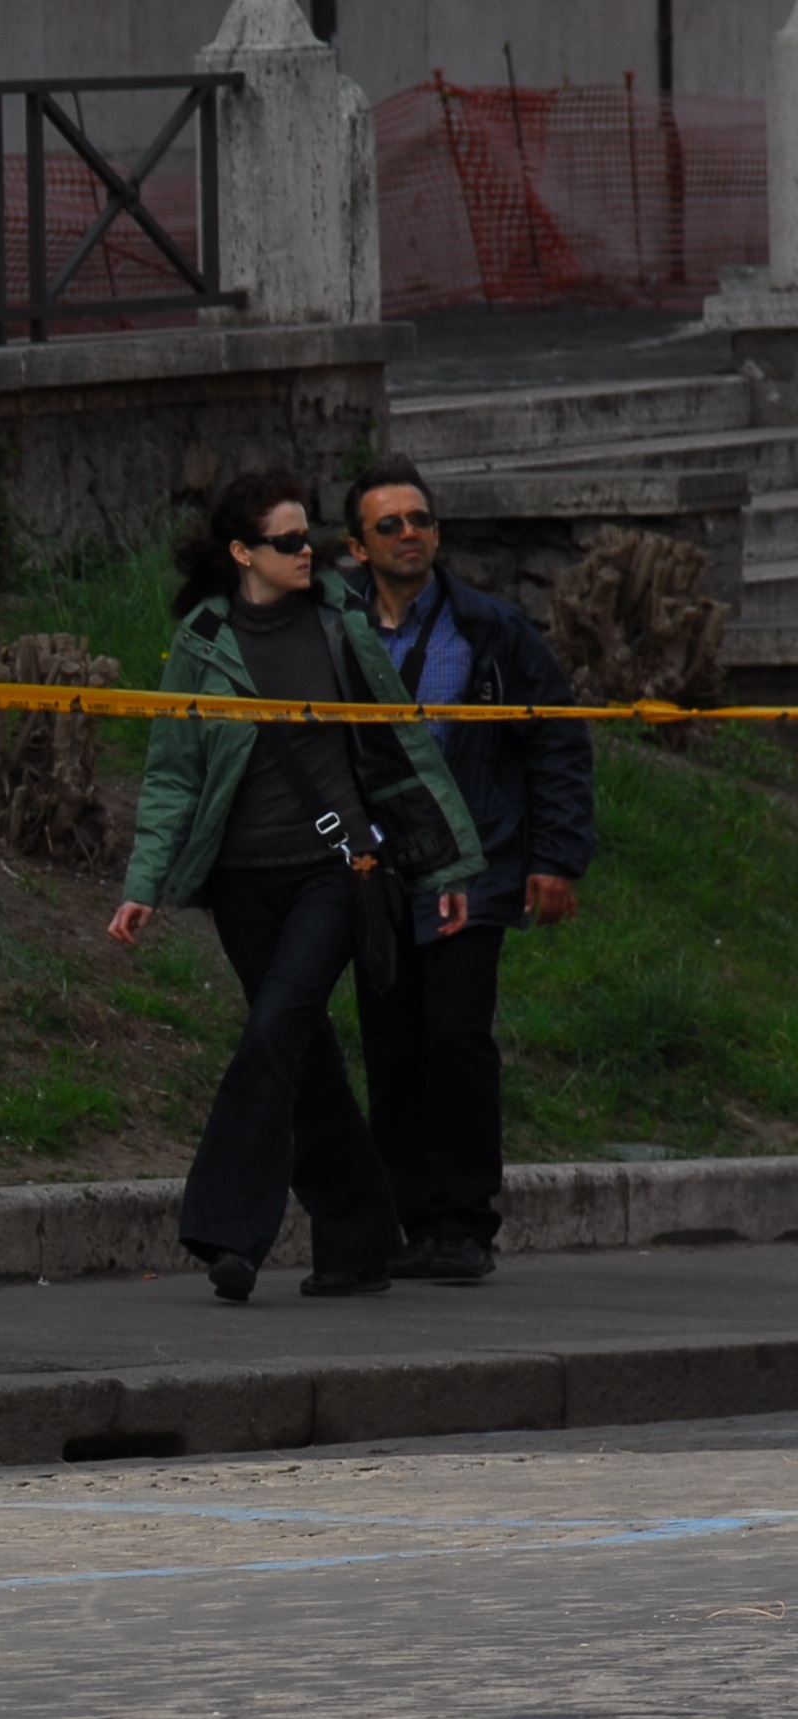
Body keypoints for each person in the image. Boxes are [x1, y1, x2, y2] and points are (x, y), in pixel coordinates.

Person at [106, 467, 482, 1303]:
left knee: (276, 1028)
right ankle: (358, 1243)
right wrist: (145, 883)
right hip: (242, 883)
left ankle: (227, 1232)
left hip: (337, 870)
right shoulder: (203, 643)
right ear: (243, 552)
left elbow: (403, 745)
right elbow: (172, 772)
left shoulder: (342, 621)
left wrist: (447, 865)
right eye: (286, 541)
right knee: (303, 1053)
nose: (306, 552)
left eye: (309, 537)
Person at [336, 457, 595, 1285]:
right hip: (379, 872)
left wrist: (555, 859)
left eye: (422, 519)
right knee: (393, 1043)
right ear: (357, 546)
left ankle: (465, 1223)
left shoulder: (491, 630)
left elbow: (556, 742)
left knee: (456, 1037)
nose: (411, 534)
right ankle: (411, 1218)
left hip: (477, 863)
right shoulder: (337, 634)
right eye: (391, 524)